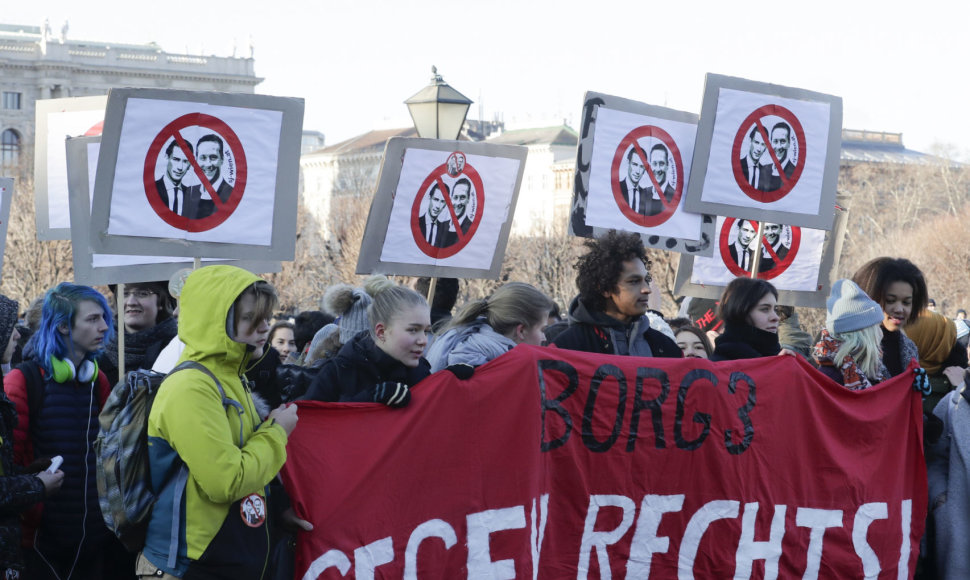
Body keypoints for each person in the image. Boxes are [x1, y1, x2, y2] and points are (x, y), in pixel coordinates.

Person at [137, 265, 299, 579]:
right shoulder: (191, 387)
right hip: (190, 565)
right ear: (216, 321)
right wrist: (278, 432)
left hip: (221, 559)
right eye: (251, 318)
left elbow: (247, 458)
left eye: (267, 317)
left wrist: (279, 508)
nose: (265, 327)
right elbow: (226, 481)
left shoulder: (229, 377)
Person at [4, 283, 116, 579]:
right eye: (93, 319)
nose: (104, 326)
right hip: (40, 545)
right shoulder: (22, 381)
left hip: (93, 540)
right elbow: (8, 469)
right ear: (64, 326)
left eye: (104, 317)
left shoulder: (98, 381)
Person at [303, 275, 432, 405]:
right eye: (413, 330)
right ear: (381, 332)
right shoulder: (337, 373)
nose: (423, 341)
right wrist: (365, 400)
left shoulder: (423, 374)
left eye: (426, 331)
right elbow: (311, 419)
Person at [551, 230, 681, 358]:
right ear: (604, 289)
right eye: (634, 281)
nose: (647, 289)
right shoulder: (566, 348)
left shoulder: (666, 348)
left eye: (646, 280)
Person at [425, 282, 553, 372]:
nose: (544, 338)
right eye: (542, 330)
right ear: (522, 330)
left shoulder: (483, 354)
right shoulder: (473, 363)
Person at [851, 257, 927, 378]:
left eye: (906, 302)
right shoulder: (849, 346)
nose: (899, 309)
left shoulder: (910, 349)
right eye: (890, 301)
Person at [813, 279, 888, 389]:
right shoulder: (829, 380)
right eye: (876, 327)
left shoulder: (872, 370)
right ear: (863, 334)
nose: (881, 333)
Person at [99, 281, 178, 385]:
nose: (131, 302)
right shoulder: (96, 351)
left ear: (161, 301)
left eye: (143, 294)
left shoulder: (178, 349)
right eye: (125, 293)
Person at [710, 277, 798, 361]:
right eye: (765, 309)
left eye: (775, 309)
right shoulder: (717, 368)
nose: (776, 317)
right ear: (740, 312)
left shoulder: (782, 357)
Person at [184, 134, 233, 220]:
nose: (208, 164)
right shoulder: (189, 192)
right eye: (203, 158)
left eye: (213, 157)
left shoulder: (232, 194)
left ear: (222, 159)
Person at [155, 139, 193, 216]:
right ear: (166, 157)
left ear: (190, 165)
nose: (180, 167)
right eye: (176, 159)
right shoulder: (153, 189)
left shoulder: (191, 196)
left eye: (185, 161)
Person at [639, 144, 675, 215]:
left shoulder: (674, 195)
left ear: (667, 166)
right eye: (654, 164)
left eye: (661, 164)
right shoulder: (644, 193)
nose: (658, 169)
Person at [418, 183, 453, 248]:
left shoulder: (444, 231)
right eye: (436, 200)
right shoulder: (416, 223)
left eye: (442, 201)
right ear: (429, 198)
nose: (438, 206)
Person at [764, 122, 796, 192]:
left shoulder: (795, 173)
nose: (778, 146)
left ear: (789, 143)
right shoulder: (763, 170)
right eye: (775, 141)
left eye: (782, 141)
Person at [620, 148, 645, 212]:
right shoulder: (618, 188)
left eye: (642, 166)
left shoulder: (646, 196)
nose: (638, 171)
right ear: (628, 163)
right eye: (635, 164)